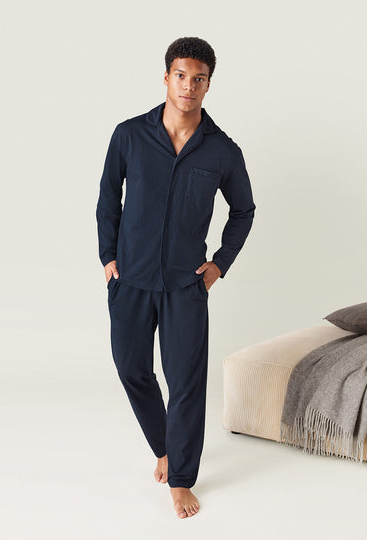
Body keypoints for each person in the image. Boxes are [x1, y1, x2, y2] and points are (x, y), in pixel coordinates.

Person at [96, 36, 256, 519]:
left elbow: (244, 210)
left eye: (198, 79)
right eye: (181, 76)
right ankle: (165, 446)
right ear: (166, 77)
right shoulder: (129, 135)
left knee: (185, 382)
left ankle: (181, 478)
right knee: (132, 368)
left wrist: (220, 264)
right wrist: (108, 257)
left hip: (186, 285)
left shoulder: (222, 151)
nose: (189, 86)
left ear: (208, 85)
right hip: (131, 278)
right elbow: (108, 197)